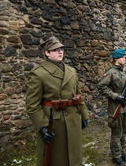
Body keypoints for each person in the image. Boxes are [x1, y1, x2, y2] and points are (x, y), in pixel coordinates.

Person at [25, 36, 89, 166]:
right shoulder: (38, 74)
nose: (60, 52)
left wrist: (84, 115)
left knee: (74, 154)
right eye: (55, 49)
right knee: (56, 158)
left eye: (61, 49)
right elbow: (32, 105)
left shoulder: (71, 70)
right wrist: (42, 126)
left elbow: (78, 95)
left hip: (73, 118)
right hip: (54, 122)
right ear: (47, 53)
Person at [98, 48, 126, 165]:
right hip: (116, 108)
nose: (125, 58)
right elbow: (101, 87)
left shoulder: (124, 72)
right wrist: (115, 96)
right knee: (116, 133)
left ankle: (123, 151)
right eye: (123, 57)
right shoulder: (111, 72)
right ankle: (116, 155)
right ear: (116, 58)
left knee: (125, 132)